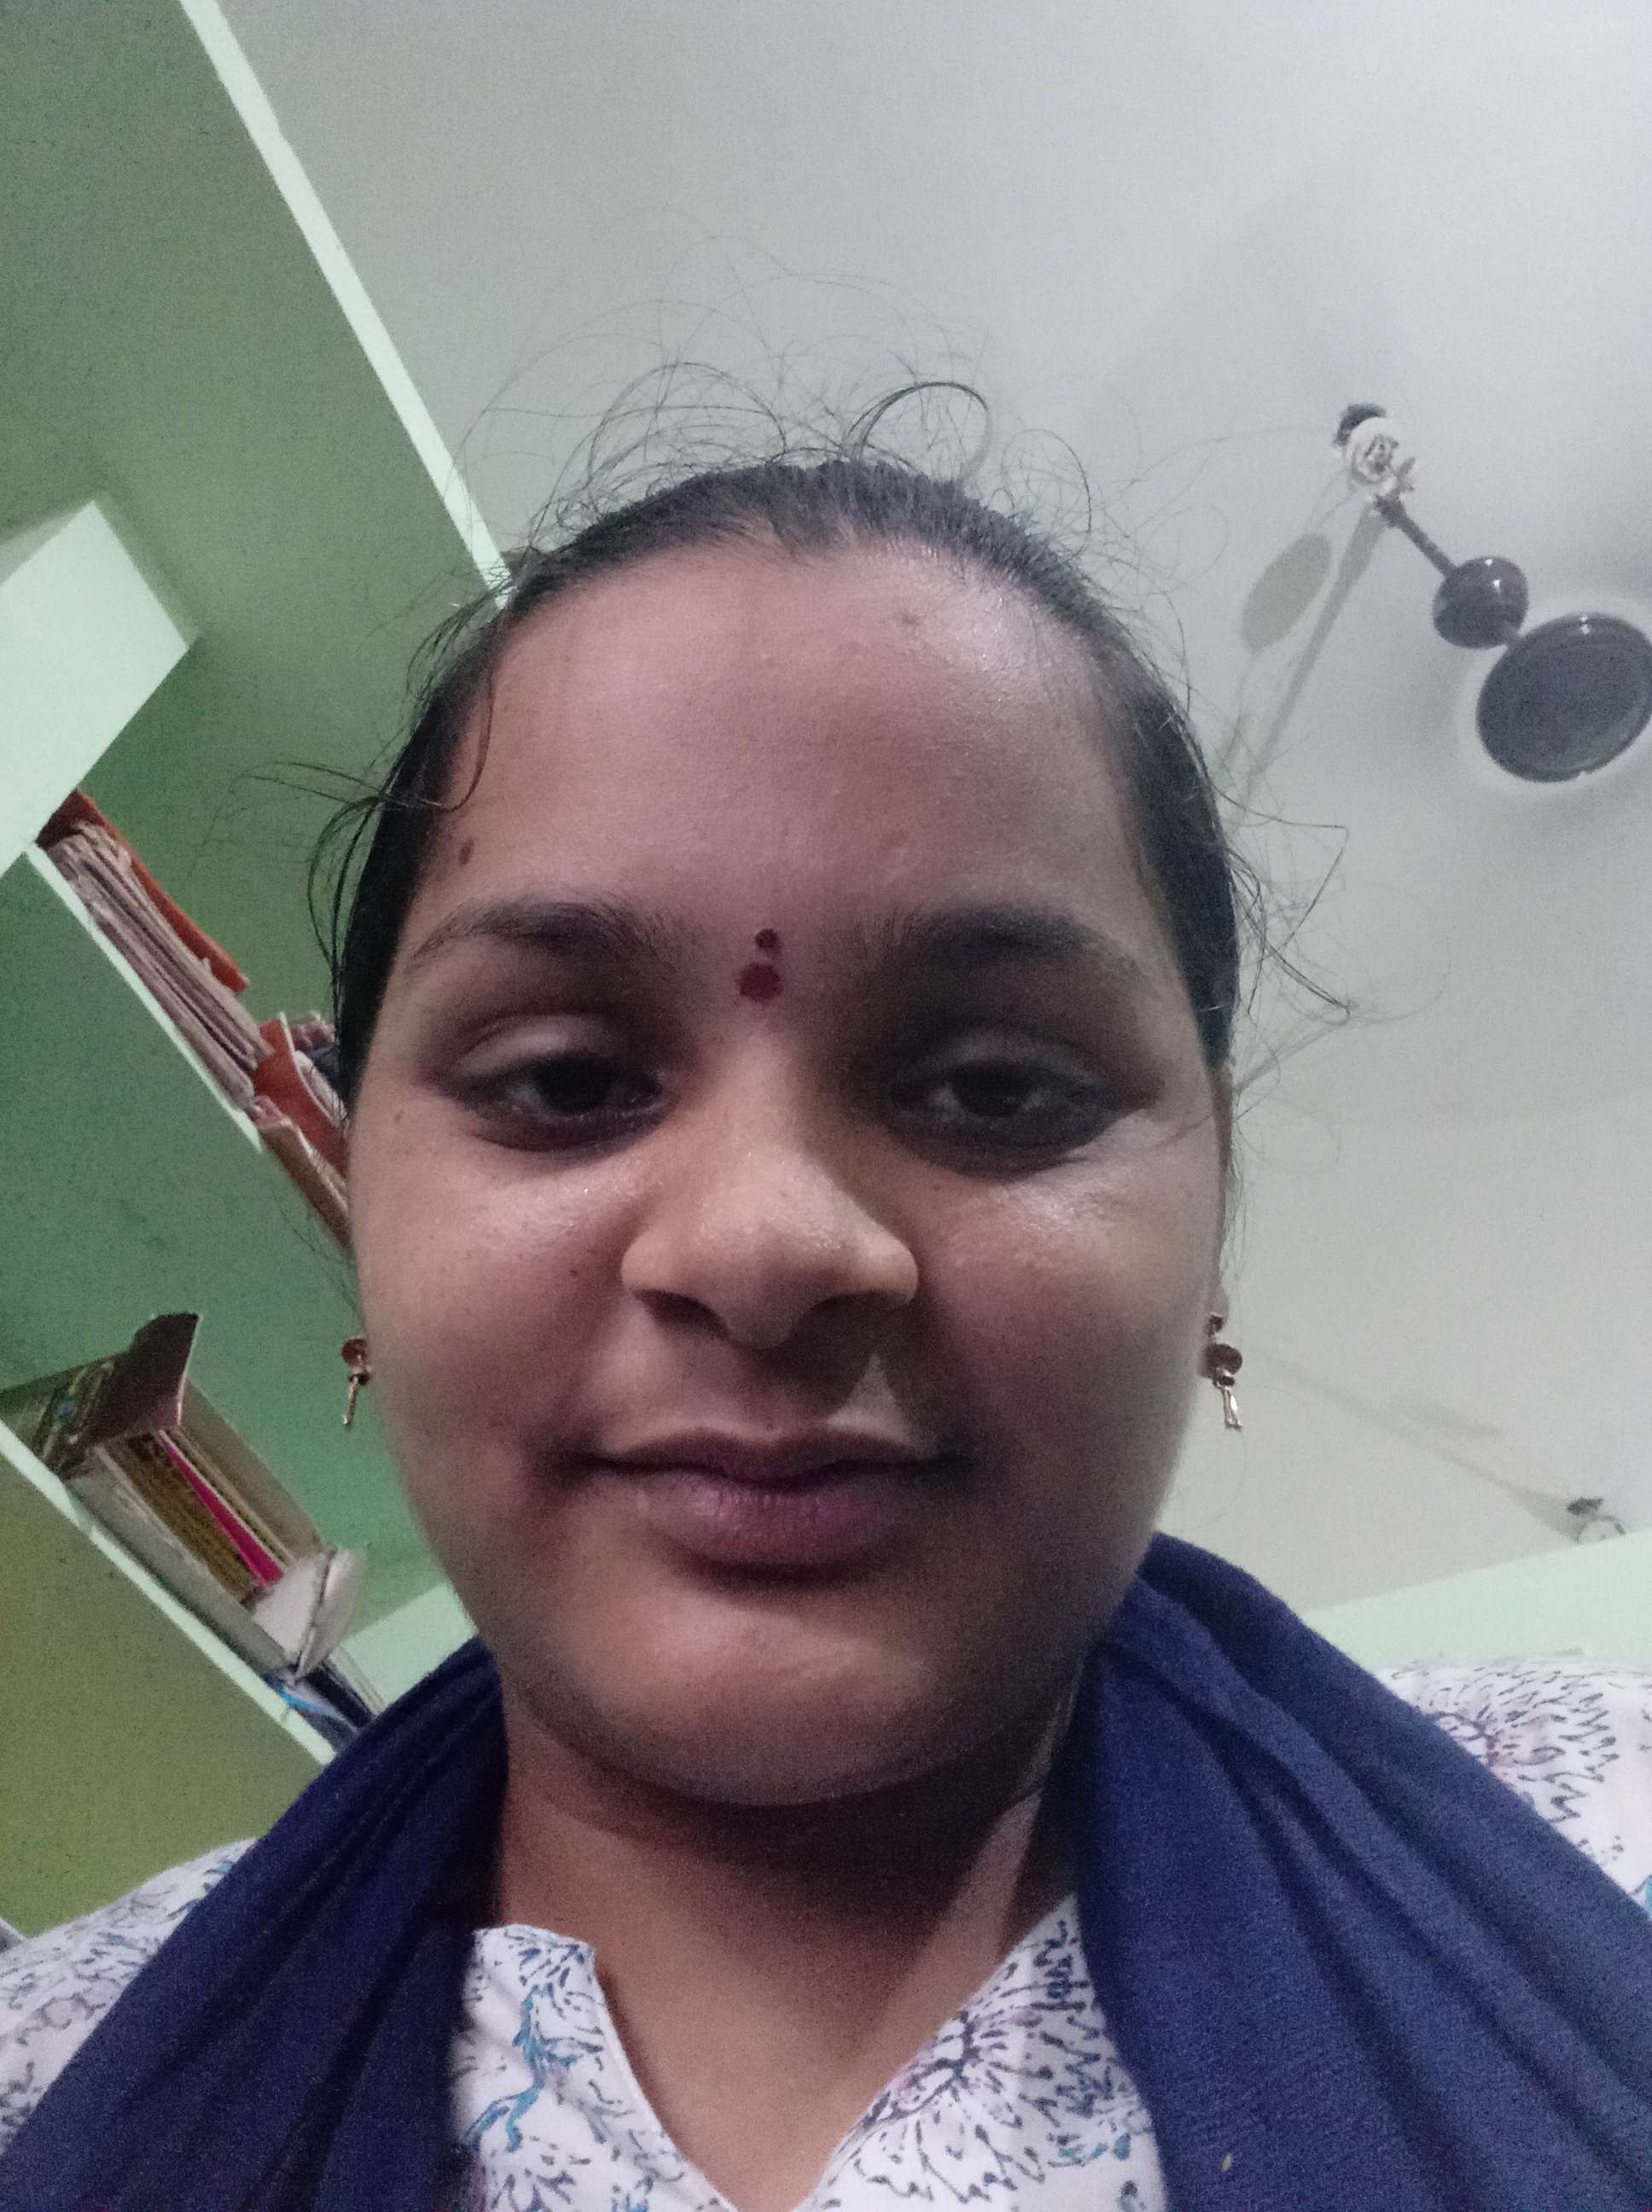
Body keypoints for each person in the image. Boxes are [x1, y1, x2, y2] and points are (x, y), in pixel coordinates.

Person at [3, 442, 1651, 2212]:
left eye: (996, 1087)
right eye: (562, 1079)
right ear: (355, 1204)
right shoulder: (50, 2069)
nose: (764, 1244)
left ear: (1214, 1219)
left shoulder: (1601, 1836)